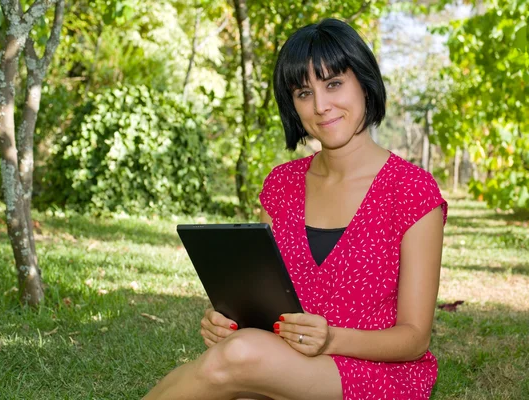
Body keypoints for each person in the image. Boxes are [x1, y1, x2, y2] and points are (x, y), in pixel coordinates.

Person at [144, 18, 447, 400]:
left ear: (365, 84)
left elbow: (414, 339)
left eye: (334, 84)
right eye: (304, 93)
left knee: (235, 358)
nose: (321, 106)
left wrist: (331, 338)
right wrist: (226, 322)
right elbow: (261, 300)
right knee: (229, 356)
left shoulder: (412, 190)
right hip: (282, 361)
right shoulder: (282, 185)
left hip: (375, 374)